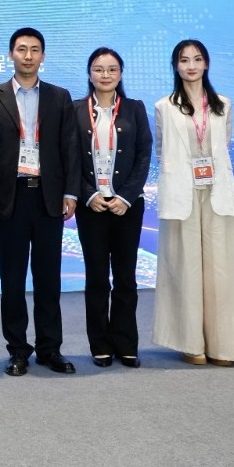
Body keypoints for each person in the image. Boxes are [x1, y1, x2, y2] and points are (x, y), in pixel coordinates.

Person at [0, 27, 82, 376]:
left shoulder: (59, 96)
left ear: (43, 56)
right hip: (10, 198)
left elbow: (70, 147)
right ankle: (18, 350)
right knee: (12, 279)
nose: (27, 55)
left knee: (48, 279)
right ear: (11, 54)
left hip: (49, 197)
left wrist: (70, 192)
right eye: (21, 49)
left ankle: (50, 349)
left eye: (34, 49)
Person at [152, 39, 234, 366]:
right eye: (184, 60)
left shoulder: (223, 105)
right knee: (186, 268)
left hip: (216, 193)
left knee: (222, 270)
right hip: (182, 194)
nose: (191, 66)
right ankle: (191, 342)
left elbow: (224, 146)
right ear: (175, 66)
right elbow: (161, 152)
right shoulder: (164, 107)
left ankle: (225, 345)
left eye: (197, 59)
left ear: (206, 63)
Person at [73, 47, 152, 368]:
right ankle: (100, 345)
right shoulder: (75, 110)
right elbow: (68, 158)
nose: (105, 75)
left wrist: (126, 197)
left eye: (112, 69)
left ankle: (126, 343)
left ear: (120, 74)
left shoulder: (135, 108)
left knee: (125, 278)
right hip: (90, 206)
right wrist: (88, 195)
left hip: (127, 207)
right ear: (89, 73)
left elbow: (144, 155)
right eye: (98, 69)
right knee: (96, 278)